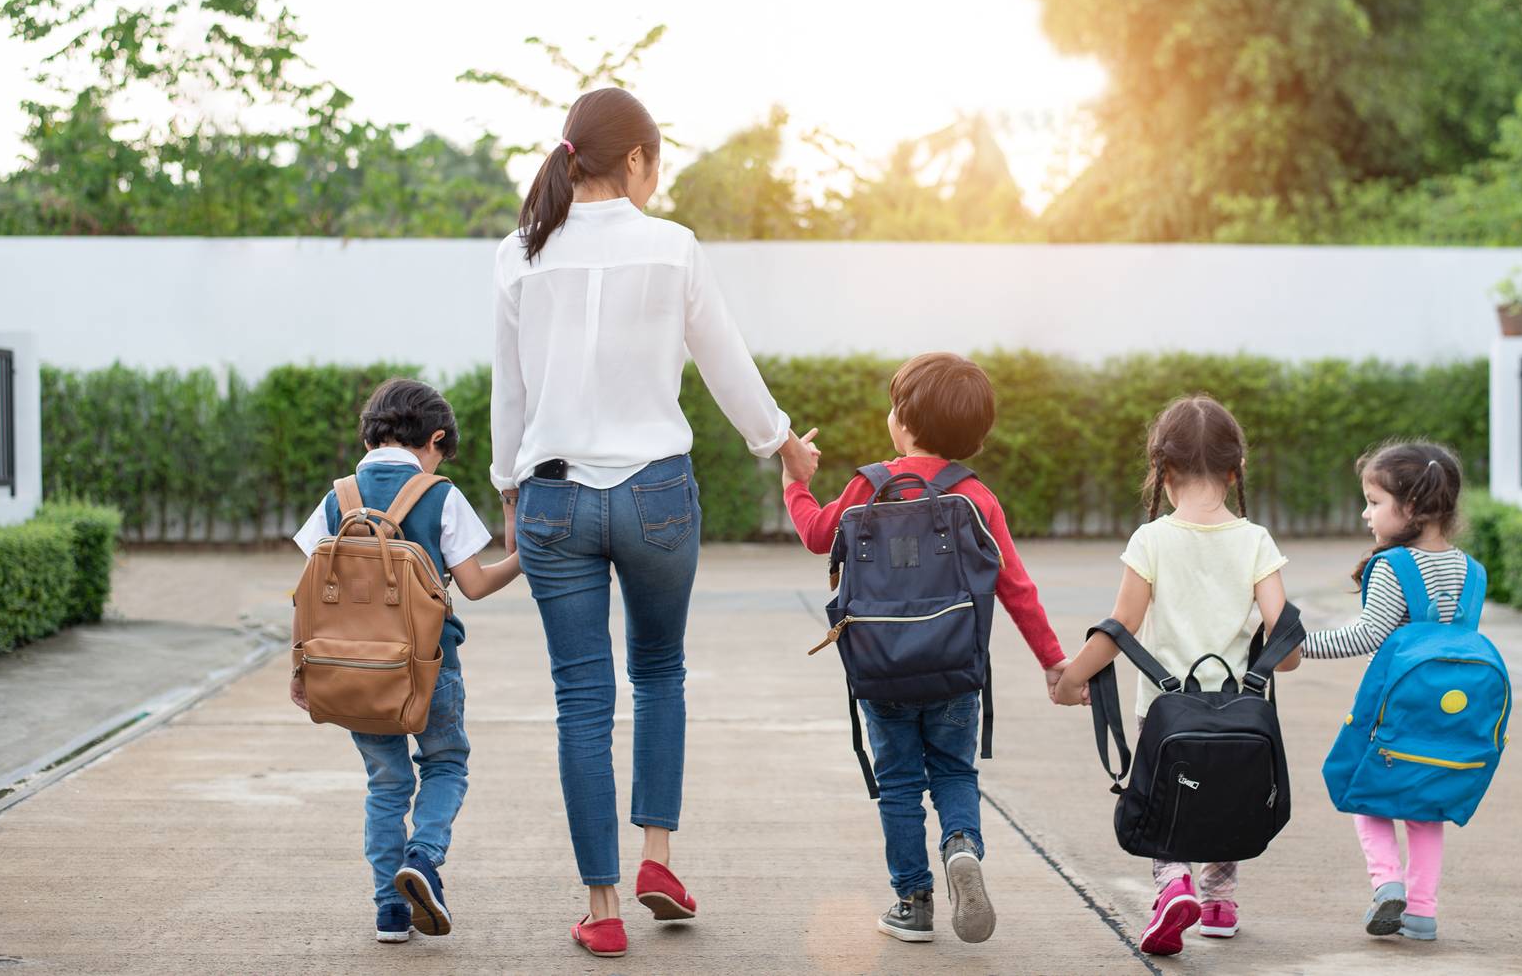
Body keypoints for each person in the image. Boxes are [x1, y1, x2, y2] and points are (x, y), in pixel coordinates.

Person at [489, 86, 818, 959]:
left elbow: (508, 391)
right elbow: (726, 363)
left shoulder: (519, 253)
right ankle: (657, 858)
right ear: (634, 160)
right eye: (655, 163)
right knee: (661, 671)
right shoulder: (673, 248)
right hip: (656, 497)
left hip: (554, 496)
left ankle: (599, 907)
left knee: (580, 702)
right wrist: (782, 445)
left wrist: (508, 491)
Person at [785, 351, 1070, 946]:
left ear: (904, 421)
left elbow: (817, 536)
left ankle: (913, 903)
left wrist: (796, 483)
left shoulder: (868, 485)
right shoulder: (976, 498)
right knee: (954, 771)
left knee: (898, 784)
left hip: (882, 669)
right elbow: (1016, 586)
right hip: (955, 669)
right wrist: (1053, 661)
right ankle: (962, 846)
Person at [1052, 394, 1295, 956]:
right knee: (1227, 792)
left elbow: (1122, 627)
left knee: (1168, 793)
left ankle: (1172, 886)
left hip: (1164, 709)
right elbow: (1286, 650)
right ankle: (1218, 902)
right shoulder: (1257, 540)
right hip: (1240, 710)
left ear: (1162, 472)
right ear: (1236, 471)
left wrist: (1071, 679)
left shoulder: (1152, 539)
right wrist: (1269, 657)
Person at [290, 377, 521, 943]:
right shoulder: (440, 495)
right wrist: (523, 560)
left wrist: (300, 668)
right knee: (445, 764)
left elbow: (308, 593)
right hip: (427, 667)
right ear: (435, 438)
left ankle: (389, 914)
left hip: (348, 673)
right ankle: (423, 856)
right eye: (442, 454)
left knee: (386, 784)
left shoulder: (336, 497)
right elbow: (475, 585)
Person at [1301, 440, 1470, 943]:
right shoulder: (1470, 571)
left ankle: (1387, 883)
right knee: (1426, 808)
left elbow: (1365, 635)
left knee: (1364, 793)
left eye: (1375, 502)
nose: (1365, 513)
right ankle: (1422, 913)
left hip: (1393, 711)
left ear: (1412, 507)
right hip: (1448, 716)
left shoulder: (1396, 567)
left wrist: (1297, 647)